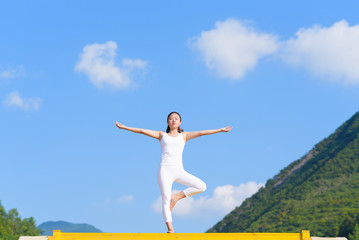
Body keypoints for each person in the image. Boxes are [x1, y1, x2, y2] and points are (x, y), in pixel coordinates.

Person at [115, 111, 232, 233]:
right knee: (165, 199)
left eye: (176, 118)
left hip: (179, 170)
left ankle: (176, 197)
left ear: (180, 122)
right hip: (164, 171)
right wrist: (125, 127)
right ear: (167, 122)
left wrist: (220, 130)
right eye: (171, 119)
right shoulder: (162, 135)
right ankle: (170, 228)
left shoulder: (184, 136)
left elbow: (202, 133)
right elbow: (142, 131)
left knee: (201, 186)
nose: (173, 120)